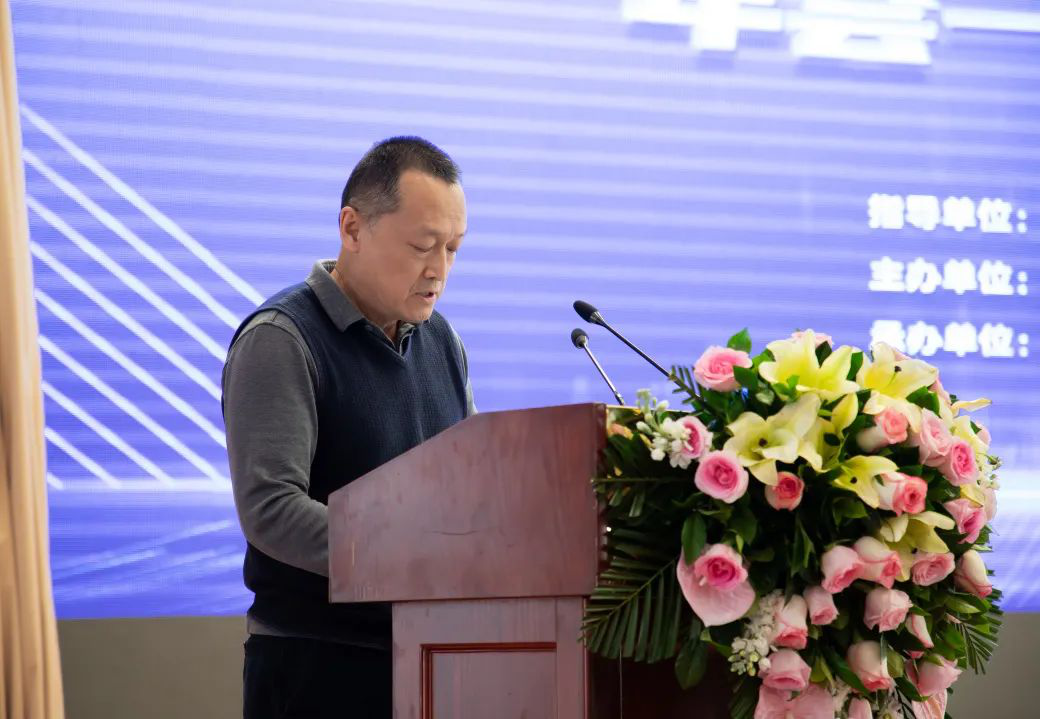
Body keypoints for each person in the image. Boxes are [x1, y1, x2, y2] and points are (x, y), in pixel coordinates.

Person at [221, 137, 476, 718]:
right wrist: (413, 553)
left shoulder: (442, 341)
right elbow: (271, 510)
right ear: (352, 228)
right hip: (316, 666)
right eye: (422, 246)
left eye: (454, 249)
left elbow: (472, 483)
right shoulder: (281, 339)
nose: (439, 270)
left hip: (436, 660)